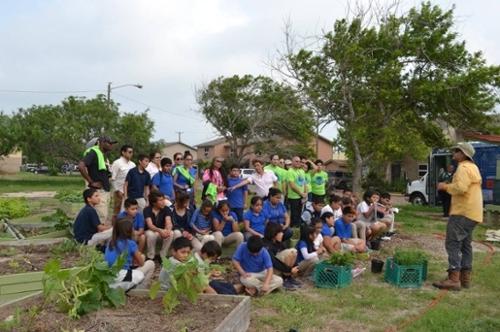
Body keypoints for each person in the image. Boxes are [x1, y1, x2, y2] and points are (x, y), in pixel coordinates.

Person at [433, 143, 483, 291]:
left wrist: (445, 187)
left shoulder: (462, 168)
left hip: (462, 212)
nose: (453, 153)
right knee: (466, 244)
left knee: (452, 242)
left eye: (456, 151)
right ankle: (464, 278)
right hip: (473, 212)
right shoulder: (473, 167)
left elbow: (461, 188)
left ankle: (454, 279)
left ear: (462, 153)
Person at [105, 217, 154, 289]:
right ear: (129, 231)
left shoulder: (111, 242)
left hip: (109, 275)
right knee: (150, 264)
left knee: (141, 257)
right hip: (121, 275)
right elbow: (141, 263)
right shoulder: (130, 243)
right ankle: (140, 288)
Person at [79, 136, 116, 225]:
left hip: (104, 191)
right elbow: (81, 166)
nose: (111, 145)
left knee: (103, 216)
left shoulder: (102, 156)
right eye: (109, 143)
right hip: (99, 192)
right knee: (100, 218)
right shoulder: (93, 152)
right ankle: (96, 237)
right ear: (101, 142)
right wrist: (91, 182)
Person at [263, 222, 301, 290]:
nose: (282, 234)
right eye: (280, 233)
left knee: (293, 251)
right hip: (269, 270)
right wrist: (290, 270)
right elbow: (273, 262)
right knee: (291, 251)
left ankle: (288, 278)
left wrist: (295, 266)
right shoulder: (266, 245)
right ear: (273, 234)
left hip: (279, 269)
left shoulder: (278, 242)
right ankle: (285, 279)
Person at [143, 190, 175, 260]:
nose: (163, 202)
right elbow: (150, 225)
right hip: (150, 231)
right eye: (160, 200)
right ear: (154, 203)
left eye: (163, 199)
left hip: (161, 232)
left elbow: (168, 222)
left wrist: (168, 230)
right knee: (151, 234)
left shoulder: (166, 209)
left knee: (171, 233)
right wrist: (160, 230)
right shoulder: (147, 210)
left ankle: (162, 255)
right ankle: (150, 256)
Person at [110, 145, 135, 222]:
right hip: (120, 192)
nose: (131, 154)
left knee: (129, 212)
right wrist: (118, 190)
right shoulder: (117, 163)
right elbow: (112, 179)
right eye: (129, 152)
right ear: (123, 152)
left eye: (132, 152)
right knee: (117, 212)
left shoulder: (133, 164)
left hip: (130, 192)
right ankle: (114, 230)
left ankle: (126, 229)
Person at [287, 156, 307, 227]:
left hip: (301, 196)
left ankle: (297, 229)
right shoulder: (290, 171)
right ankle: (292, 229)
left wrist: (305, 193)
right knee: (294, 215)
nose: (298, 163)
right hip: (293, 197)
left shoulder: (301, 171)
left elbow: (304, 183)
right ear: (292, 162)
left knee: (299, 214)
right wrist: (301, 193)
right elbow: (292, 186)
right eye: (296, 161)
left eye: (299, 161)